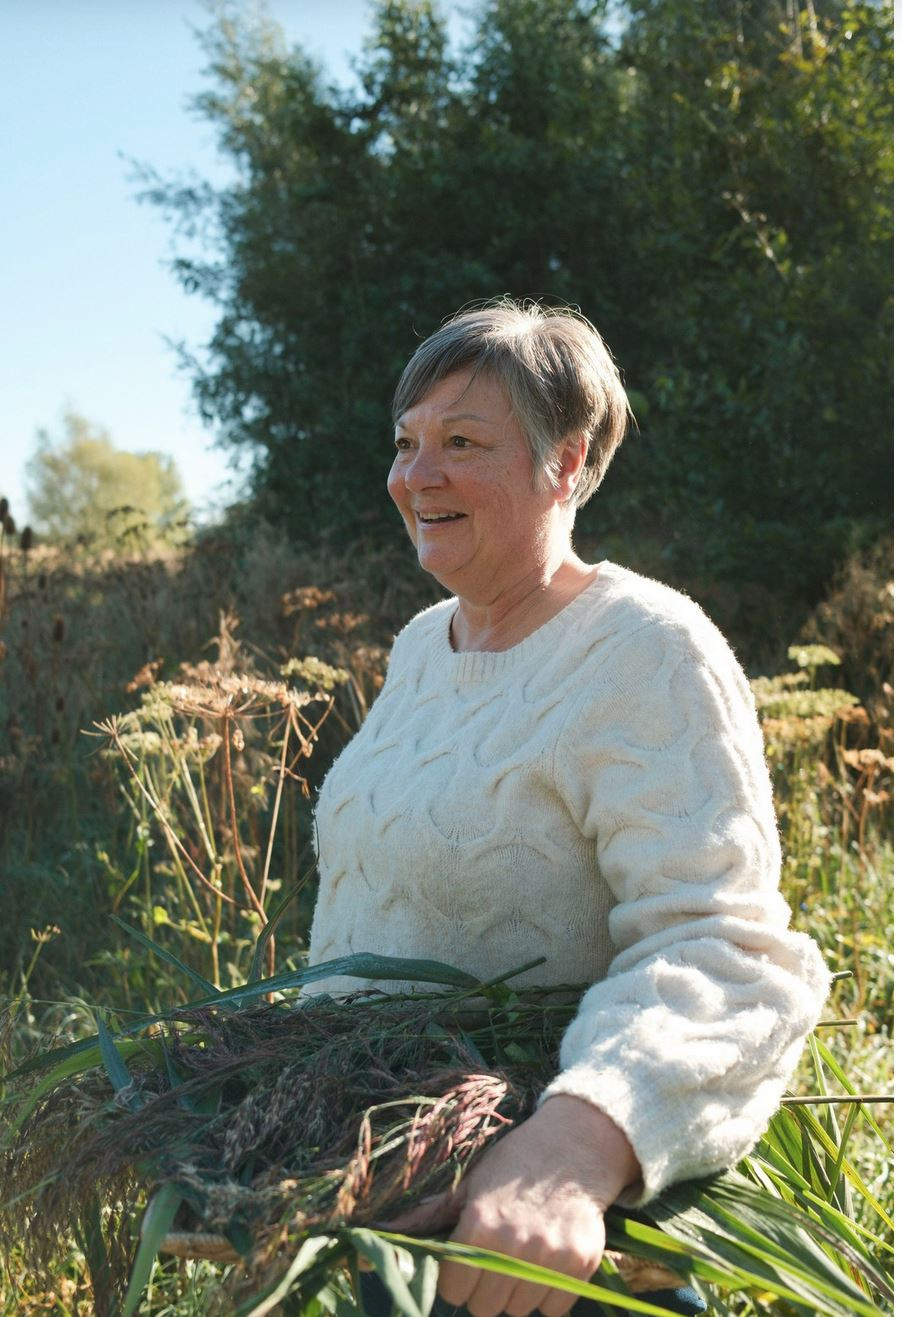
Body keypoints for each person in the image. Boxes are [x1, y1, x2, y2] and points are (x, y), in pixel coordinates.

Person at [307, 300, 830, 1317]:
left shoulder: (643, 650)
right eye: (408, 443)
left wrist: (575, 1145)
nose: (416, 476)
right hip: (391, 1201)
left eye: (462, 442)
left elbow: (723, 951)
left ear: (566, 459)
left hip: (549, 1250)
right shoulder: (420, 647)